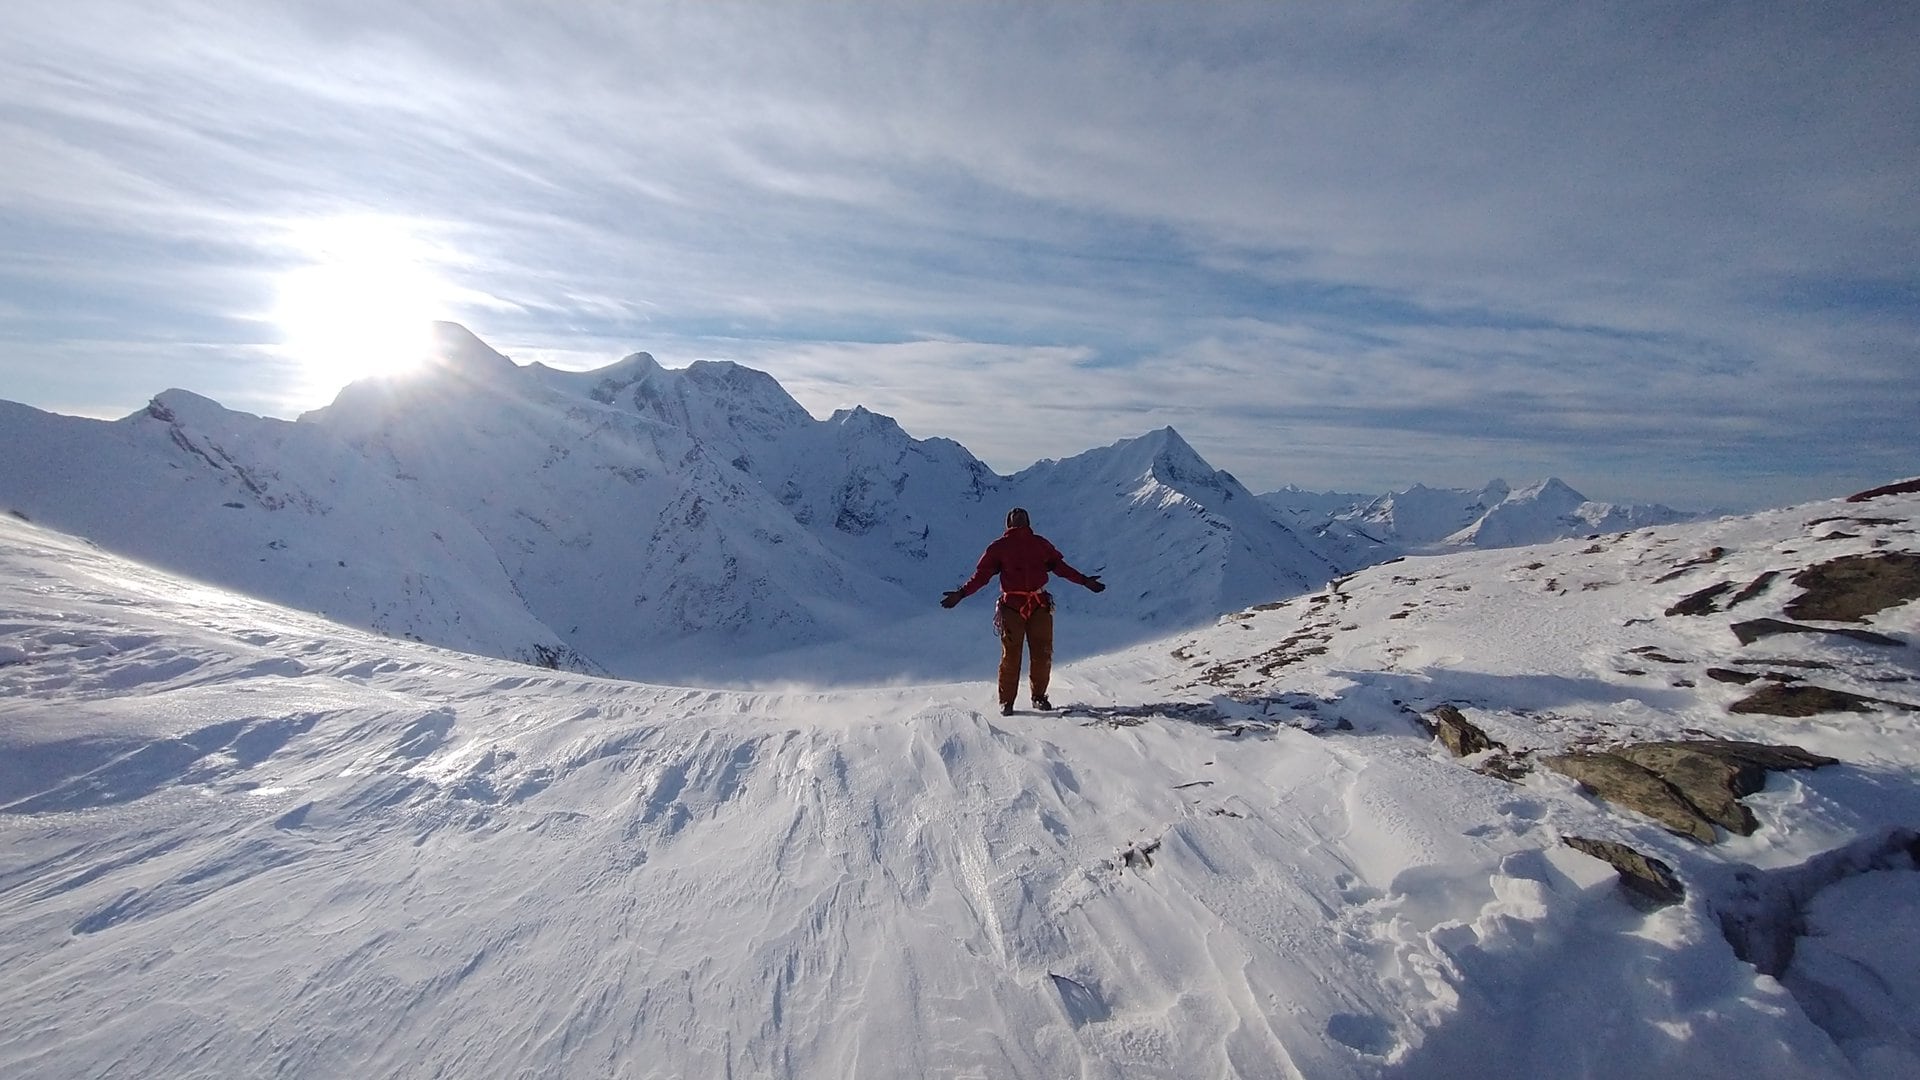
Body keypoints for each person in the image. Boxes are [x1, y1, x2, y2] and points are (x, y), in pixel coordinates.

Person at [941, 507, 1105, 715]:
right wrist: (961, 593)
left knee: (1040, 653)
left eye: (1021, 514)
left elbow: (1061, 568)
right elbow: (981, 577)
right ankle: (1008, 701)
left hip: (1032, 605)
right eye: (1014, 514)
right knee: (1015, 655)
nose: (1017, 514)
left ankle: (1035, 697)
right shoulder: (1016, 546)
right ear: (1010, 523)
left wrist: (1084, 581)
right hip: (1019, 606)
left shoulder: (1027, 545)